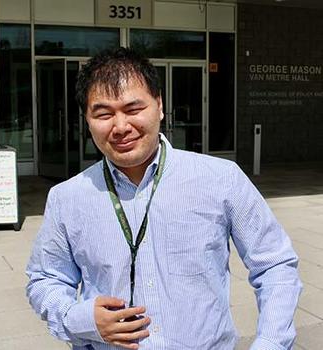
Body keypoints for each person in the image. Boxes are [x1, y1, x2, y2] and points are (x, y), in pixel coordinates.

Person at [26, 47, 302, 350]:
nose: (120, 127)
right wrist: (78, 317)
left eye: (133, 109)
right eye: (104, 114)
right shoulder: (68, 198)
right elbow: (44, 280)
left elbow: (275, 265)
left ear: (159, 105)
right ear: (87, 120)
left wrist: (271, 343)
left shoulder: (221, 178)